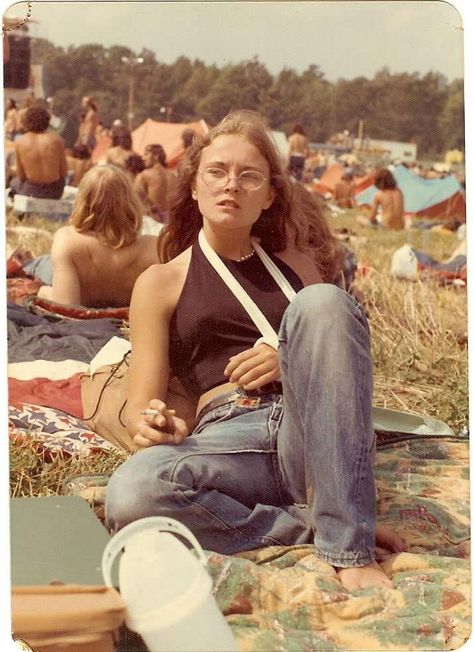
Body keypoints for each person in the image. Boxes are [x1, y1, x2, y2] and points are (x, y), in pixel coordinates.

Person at [105, 110, 404, 592]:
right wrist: (154, 422)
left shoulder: (300, 268)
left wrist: (289, 358)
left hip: (307, 428)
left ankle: (349, 548)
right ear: (195, 186)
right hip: (228, 437)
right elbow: (143, 400)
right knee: (134, 491)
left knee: (326, 302)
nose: (232, 186)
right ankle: (306, 529)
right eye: (217, 172)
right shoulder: (160, 282)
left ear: (268, 196)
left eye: (249, 176)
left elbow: (341, 364)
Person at [37, 165, 159, 307]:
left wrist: (44, 292)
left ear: (83, 201)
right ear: (130, 201)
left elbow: (66, 308)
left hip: (81, 301)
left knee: (40, 265)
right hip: (126, 312)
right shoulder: (152, 248)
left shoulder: (67, 240)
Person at [11, 104, 67, 199]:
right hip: (55, 192)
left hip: (32, 191)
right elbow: (63, 172)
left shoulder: (20, 142)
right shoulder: (57, 140)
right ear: (47, 121)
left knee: (13, 182)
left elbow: (21, 176)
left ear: (27, 122)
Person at [134, 144, 170, 222]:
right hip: (171, 219)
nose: (143, 158)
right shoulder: (173, 175)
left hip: (154, 220)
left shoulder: (144, 175)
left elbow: (135, 198)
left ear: (156, 156)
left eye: (146, 154)